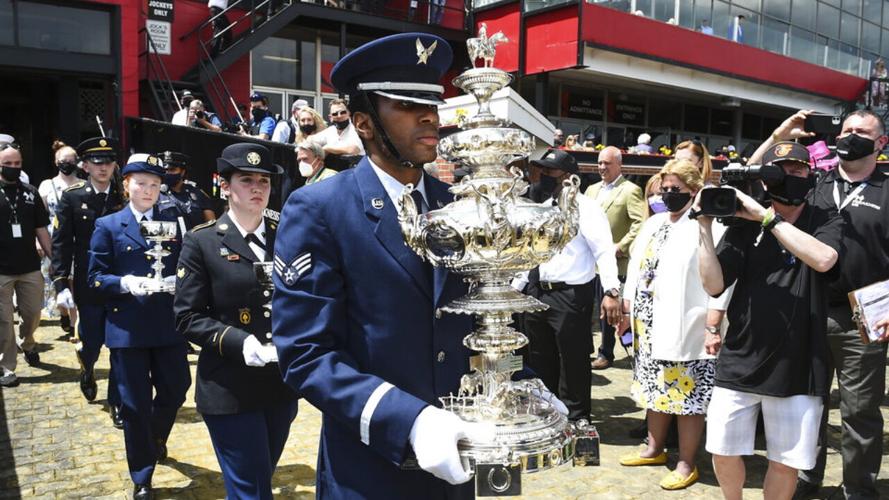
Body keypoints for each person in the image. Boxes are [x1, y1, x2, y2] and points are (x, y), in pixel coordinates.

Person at [272, 32, 528, 498]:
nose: (429, 116)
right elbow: (306, 354)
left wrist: (521, 382)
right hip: (372, 465)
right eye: (408, 106)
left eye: (432, 104)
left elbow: (483, 316)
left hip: (460, 459)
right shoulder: (321, 208)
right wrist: (410, 420)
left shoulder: (460, 206)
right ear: (364, 123)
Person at [696, 141, 841, 500]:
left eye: (798, 169)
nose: (791, 176)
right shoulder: (744, 226)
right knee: (722, 449)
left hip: (799, 362)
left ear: (810, 175)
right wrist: (703, 227)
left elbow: (823, 259)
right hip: (740, 357)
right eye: (782, 171)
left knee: (785, 462)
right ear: (766, 180)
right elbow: (714, 284)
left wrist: (767, 218)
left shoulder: (824, 218)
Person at [175, 143, 297, 499]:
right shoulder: (202, 241)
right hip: (230, 388)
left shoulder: (287, 233)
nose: (258, 188)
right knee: (252, 491)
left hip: (280, 384)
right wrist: (239, 341)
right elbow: (187, 316)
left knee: (257, 481)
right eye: (246, 180)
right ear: (225, 186)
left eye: (264, 181)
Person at [791, 109, 889, 500]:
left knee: (860, 411)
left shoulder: (886, 189)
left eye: (861, 132)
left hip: (866, 317)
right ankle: (806, 476)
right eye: (846, 130)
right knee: (807, 403)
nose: (850, 136)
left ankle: (858, 488)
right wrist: (783, 134)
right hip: (810, 310)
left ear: (880, 143)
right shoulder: (815, 184)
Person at [618, 159, 731, 491]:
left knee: (687, 397)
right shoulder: (655, 223)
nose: (668, 194)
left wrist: (714, 321)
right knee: (654, 388)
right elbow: (637, 267)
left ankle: (686, 462)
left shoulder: (709, 225)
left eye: (675, 189)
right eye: (664, 188)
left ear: (694, 190)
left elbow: (724, 279)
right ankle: (654, 449)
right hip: (649, 324)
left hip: (688, 325)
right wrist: (626, 305)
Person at [88, 154, 191, 500]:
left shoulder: (173, 222)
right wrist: (125, 283)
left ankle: (154, 438)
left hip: (167, 324)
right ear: (126, 185)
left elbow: (186, 266)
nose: (148, 190)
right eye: (141, 183)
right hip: (128, 328)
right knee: (134, 405)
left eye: (155, 184)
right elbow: (95, 278)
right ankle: (142, 475)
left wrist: (182, 284)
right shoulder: (108, 225)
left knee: (177, 389)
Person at [517, 148, 621, 420]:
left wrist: (611, 291)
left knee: (573, 359)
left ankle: (576, 419)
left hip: (570, 294)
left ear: (568, 177)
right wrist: (516, 288)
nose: (543, 176)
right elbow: (530, 253)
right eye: (541, 170)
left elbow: (604, 251)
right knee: (540, 358)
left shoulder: (587, 208)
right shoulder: (541, 208)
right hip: (537, 291)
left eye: (549, 171)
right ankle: (547, 414)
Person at [52, 137, 124, 427]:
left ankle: (117, 401)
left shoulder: (124, 195)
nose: (103, 167)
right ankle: (88, 367)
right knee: (92, 340)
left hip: (121, 281)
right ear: (85, 166)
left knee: (120, 345)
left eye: (108, 162)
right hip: (89, 281)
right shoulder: (72, 197)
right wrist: (60, 283)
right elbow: (62, 243)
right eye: (97, 162)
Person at [584, 146, 645, 370]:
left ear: (619, 165)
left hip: (616, 263)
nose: (602, 167)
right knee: (589, 310)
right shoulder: (590, 190)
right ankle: (589, 349)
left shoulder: (630, 190)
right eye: (599, 163)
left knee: (611, 311)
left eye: (607, 163)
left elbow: (640, 223)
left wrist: (622, 246)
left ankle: (607, 353)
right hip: (589, 264)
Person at [0, 143, 51, 387]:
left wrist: (54, 258)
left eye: (17, 163)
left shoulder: (30, 192)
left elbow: (41, 229)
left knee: (32, 313)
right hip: (1, 270)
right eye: (7, 164)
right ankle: (6, 367)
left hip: (30, 266)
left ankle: (27, 343)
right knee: (3, 320)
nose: (13, 167)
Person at [38, 140, 80, 336]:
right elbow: (39, 216)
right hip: (53, 239)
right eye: (64, 160)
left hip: (76, 239)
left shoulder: (83, 184)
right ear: (56, 162)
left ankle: (74, 323)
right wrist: (38, 240)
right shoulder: (47, 185)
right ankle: (63, 313)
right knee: (56, 279)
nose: (67, 164)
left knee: (74, 281)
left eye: (71, 161)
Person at [155, 151, 215, 231]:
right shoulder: (155, 194)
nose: (168, 173)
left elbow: (211, 224)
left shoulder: (198, 194)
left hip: (195, 238)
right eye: (165, 170)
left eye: (172, 170)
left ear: (182, 172)